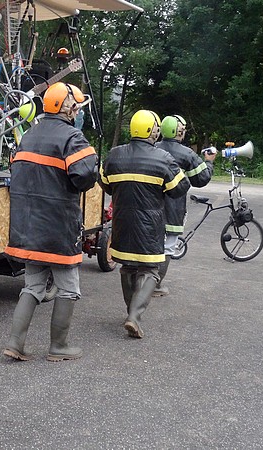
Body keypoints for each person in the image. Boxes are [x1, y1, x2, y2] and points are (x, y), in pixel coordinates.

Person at [4, 82, 98, 362]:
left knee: (32, 287)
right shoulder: (73, 138)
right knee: (69, 288)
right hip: (58, 228)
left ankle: (15, 343)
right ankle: (59, 346)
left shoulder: (29, 136)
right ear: (68, 107)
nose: (79, 110)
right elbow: (84, 178)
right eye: (77, 105)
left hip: (28, 227)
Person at [100, 110, 190, 338]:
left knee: (128, 268)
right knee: (149, 270)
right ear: (154, 131)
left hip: (122, 223)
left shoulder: (114, 155)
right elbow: (180, 188)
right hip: (150, 226)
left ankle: (130, 312)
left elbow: (104, 183)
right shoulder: (162, 158)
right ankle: (135, 317)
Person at [153, 115, 217, 296]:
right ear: (179, 131)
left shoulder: (151, 148)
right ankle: (155, 286)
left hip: (148, 209)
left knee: (147, 245)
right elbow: (202, 178)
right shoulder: (186, 153)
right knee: (167, 248)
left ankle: (139, 283)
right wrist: (209, 161)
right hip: (172, 210)